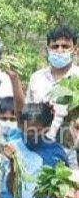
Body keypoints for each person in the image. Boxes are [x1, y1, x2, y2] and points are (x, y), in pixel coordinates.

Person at [26, 25, 79, 166]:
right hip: (38, 153)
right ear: (47, 49)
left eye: (65, 46)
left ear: (75, 49)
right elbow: (27, 114)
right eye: (55, 46)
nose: (60, 50)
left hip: (73, 154)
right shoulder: (36, 78)